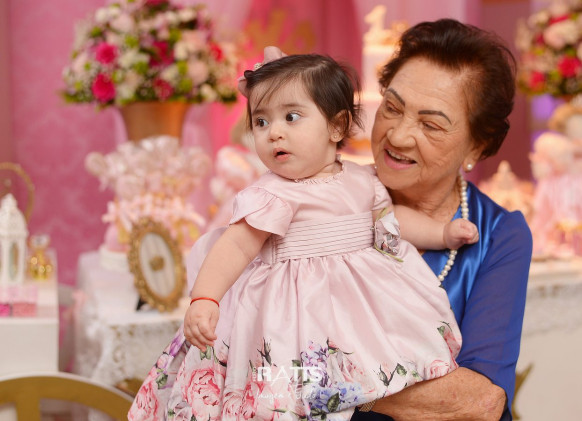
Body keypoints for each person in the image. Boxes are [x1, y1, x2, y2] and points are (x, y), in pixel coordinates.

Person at [129, 50, 480, 420]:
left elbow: (392, 221)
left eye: (291, 117)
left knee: (373, 355)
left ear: (337, 126)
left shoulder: (362, 178)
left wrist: (441, 232)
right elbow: (236, 245)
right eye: (261, 121)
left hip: (357, 302)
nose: (274, 132)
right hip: (293, 309)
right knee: (286, 385)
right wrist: (206, 297)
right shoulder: (272, 194)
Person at [351, 19, 532, 421]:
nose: (398, 136)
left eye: (430, 125)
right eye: (392, 108)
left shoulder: (498, 234)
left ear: (477, 146)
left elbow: (480, 401)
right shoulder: (327, 198)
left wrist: (329, 383)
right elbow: (259, 359)